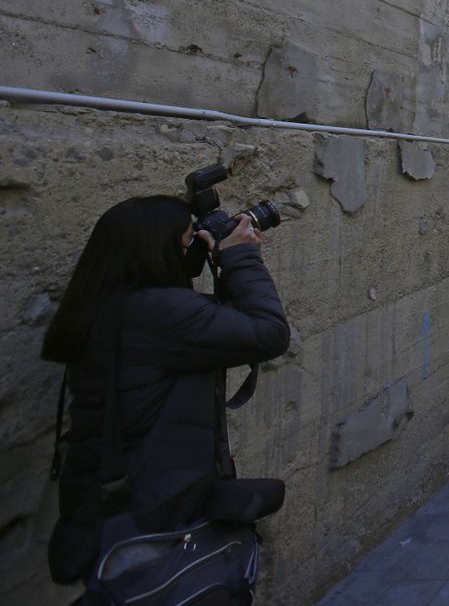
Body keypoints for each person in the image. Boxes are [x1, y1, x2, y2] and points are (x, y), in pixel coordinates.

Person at [42, 196, 291, 589]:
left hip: (113, 495)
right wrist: (241, 257)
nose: (194, 247)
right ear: (158, 250)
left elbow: (215, 326)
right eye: (189, 239)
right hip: (155, 504)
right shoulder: (159, 313)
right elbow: (269, 333)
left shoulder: (109, 303)